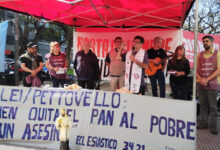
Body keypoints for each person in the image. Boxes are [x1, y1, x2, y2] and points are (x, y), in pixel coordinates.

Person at [196, 35, 220, 135]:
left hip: (213, 84)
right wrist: (201, 79)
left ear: (212, 42)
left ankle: (213, 127)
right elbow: (197, 69)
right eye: (203, 41)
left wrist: (207, 79)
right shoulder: (199, 55)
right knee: (203, 105)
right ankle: (203, 123)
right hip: (200, 83)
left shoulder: (218, 54)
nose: (205, 43)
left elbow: (219, 69)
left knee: (213, 107)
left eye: (207, 41)